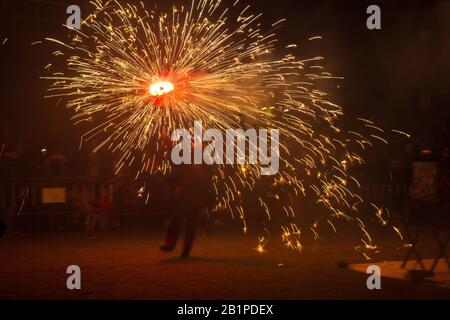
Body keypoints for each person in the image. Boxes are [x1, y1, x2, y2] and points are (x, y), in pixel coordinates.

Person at [160, 161, 214, 258]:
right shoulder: (187, 164)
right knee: (176, 221)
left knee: (190, 225)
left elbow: (203, 182)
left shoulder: (201, 167)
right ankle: (171, 245)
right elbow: (179, 176)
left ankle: (185, 249)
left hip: (194, 198)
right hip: (185, 198)